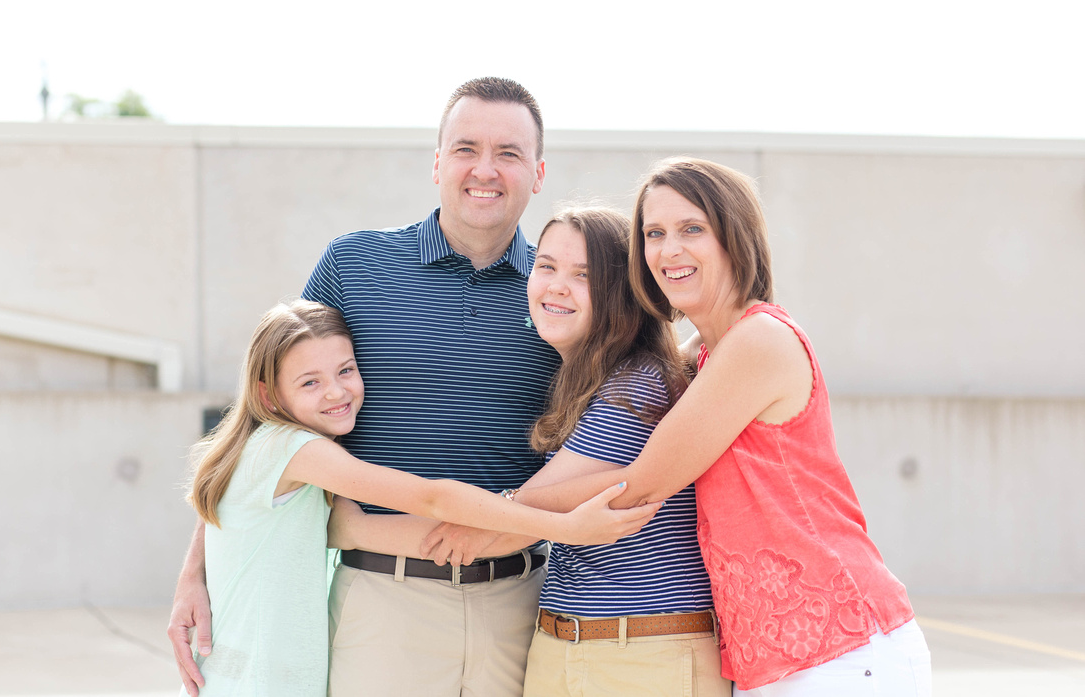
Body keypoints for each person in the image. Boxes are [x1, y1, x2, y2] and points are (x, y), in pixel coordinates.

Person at [168, 77, 563, 697]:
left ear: (537, 173)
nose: (484, 169)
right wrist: (196, 572)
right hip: (382, 602)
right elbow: (264, 426)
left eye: (509, 153)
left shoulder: (560, 294)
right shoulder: (354, 266)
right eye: (466, 148)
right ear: (437, 162)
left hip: (521, 603)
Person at [526, 158, 932, 695]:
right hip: (769, 658)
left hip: (841, 648)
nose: (668, 250)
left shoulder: (759, 340)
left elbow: (641, 485)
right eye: (654, 233)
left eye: (691, 229)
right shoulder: (707, 356)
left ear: (734, 237)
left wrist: (501, 509)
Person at [184, 299, 656, 696]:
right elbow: (432, 498)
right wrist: (566, 528)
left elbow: (357, 528)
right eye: (310, 382)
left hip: (259, 674)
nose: (336, 391)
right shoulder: (295, 449)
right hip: (259, 681)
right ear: (268, 395)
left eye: (346, 370)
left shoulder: (278, 452)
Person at [517, 206, 730, 695]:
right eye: (545, 266)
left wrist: (368, 529)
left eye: (583, 275)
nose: (555, 286)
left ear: (622, 292)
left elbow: (516, 517)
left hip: (640, 655)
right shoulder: (590, 382)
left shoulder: (636, 388)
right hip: (568, 644)